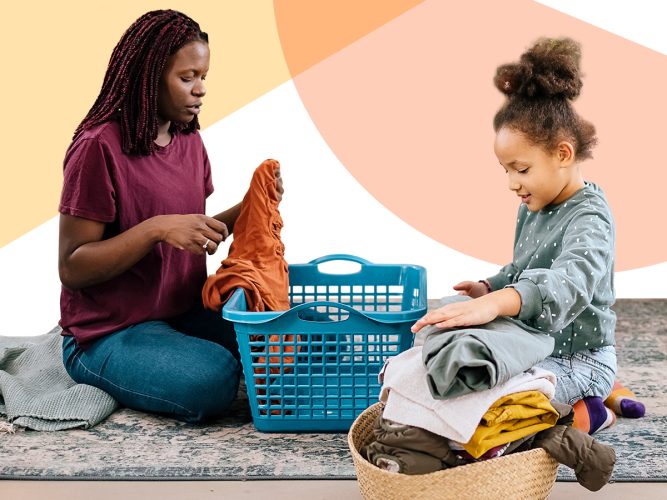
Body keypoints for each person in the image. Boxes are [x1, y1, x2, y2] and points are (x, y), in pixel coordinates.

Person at [58, 10, 283, 423]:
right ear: (148, 76)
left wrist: (251, 204)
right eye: (187, 78)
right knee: (213, 379)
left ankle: (176, 357)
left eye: (203, 77)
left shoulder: (188, 138)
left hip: (183, 312)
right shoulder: (97, 147)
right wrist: (156, 229)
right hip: (108, 332)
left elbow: (195, 232)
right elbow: (73, 267)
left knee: (294, 344)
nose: (200, 90)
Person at [411, 37, 635, 434]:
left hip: (575, 358)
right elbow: (524, 267)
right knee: (443, 339)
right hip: (537, 342)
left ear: (563, 155)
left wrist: (501, 302)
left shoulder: (591, 220)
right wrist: (489, 287)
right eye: (506, 171)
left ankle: (593, 405)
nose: (513, 183)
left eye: (521, 169)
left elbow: (568, 283)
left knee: (493, 405)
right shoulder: (534, 205)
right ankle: (606, 392)